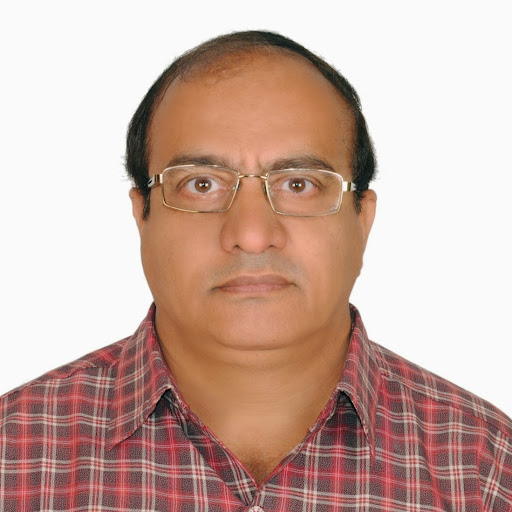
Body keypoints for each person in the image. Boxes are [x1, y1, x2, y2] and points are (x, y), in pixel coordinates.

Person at [1, 30, 511, 511]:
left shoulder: (486, 469)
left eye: (299, 184)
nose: (250, 233)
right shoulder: (13, 456)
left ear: (362, 220)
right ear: (142, 216)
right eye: (201, 184)